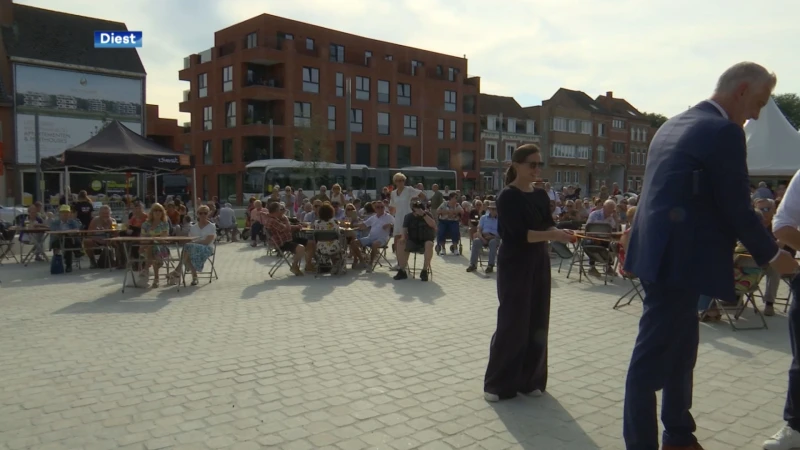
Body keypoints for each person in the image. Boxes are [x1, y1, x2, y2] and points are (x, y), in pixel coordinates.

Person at [622, 62, 798, 450]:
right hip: (678, 265)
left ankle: (679, 435)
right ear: (741, 90)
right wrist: (772, 255)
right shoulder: (724, 132)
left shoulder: (672, 124)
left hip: (658, 257)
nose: (756, 114)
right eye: (759, 102)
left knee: (682, 352)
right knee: (648, 365)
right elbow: (736, 208)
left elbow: (670, 196)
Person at [483, 144, 574, 402]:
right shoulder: (507, 196)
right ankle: (498, 384)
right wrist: (553, 234)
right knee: (513, 321)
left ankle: (530, 379)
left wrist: (562, 232)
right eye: (532, 164)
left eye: (539, 164)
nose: (536, 169)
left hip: (538, 261)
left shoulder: (541, 195)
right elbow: (519, 235)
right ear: (517, 165)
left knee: (537, 320)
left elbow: (547, 225)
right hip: (515, 262)